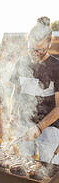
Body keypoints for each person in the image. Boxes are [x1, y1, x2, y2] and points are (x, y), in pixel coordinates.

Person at [10, 16, 59, 163]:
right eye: (32, 49)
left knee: (49, 170)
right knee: (25, 166)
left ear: (49, 44)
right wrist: (13, 114)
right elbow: (16, 93)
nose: (35, 53)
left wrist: (39, 128)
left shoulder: (57, 67)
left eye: (40, 50)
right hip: (24, 125)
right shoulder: (21, 62)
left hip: (50, 128)